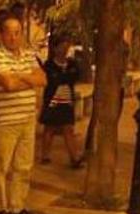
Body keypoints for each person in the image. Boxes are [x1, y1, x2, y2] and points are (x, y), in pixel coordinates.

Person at [0, 16, 45, 214]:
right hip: (5, 120)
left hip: (28, 117)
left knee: (24, 165)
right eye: (9, 32)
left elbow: (42, 79)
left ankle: (17, 205)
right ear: (1, 35)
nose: (13, 36)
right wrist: (28, 78)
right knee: (2, 167)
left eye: (17, 32)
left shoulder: (29, 55)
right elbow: (8, 84)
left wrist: (19, 76)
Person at [39, 35, 83, 168]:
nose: (64, 50)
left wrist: (64, 77)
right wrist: (62, 77)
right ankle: (45, 156)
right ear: (55, 48)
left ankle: (74, 158)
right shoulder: (49, 65)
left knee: (68, 128)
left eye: (66, 47)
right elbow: (52, 81)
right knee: (49, 129)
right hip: (53, 100)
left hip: (67, 100)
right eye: (62, 47)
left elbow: (74, 77)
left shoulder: (72, 64)